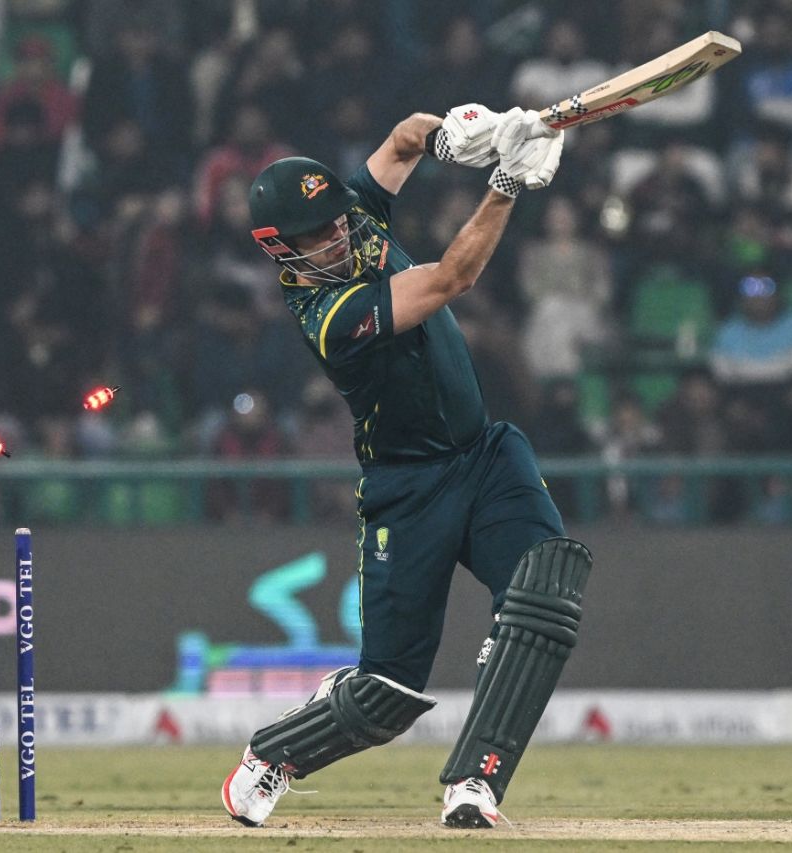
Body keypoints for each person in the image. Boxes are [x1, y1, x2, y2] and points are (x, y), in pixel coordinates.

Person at [222, 104, 594, 829]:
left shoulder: (353, 216)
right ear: (280, 250)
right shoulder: (326, 314)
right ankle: (273, 755)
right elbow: (452, 278)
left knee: (546, 590)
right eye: (317, 233)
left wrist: (459, 134)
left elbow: (402, 138)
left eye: (337, 218)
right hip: (407, 487)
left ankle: (474, 782)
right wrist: (506, 184)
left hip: (484, 455)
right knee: (386, 694)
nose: (338, 234)